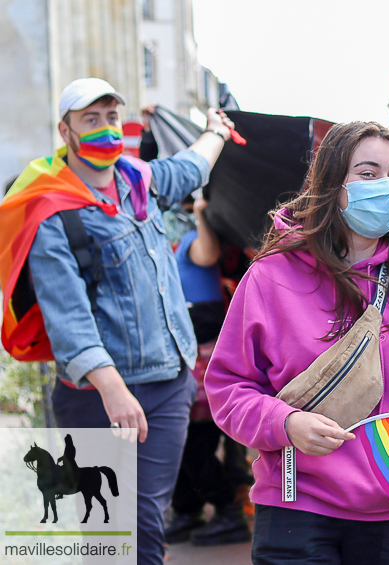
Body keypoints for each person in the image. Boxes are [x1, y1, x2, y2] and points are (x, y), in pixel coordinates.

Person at [204, 122, 389, 565]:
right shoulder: (270, 276)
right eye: (368, 173)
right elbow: (228, 388)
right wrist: (285, 424)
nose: (387, 187)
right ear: (333, 186)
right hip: (294, 505)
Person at [12, 78, 233, 565]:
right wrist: (113, 390)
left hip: (170, 384)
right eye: (91, 120)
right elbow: (68, 316)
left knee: (143, 524)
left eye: (111, 117)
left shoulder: (140, 181)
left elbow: (191, 167)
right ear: (65, 132)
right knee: (112, 530)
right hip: (99, 397)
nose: (106, 129)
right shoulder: (54, 213)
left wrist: (217, 129)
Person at [164, 192, 252, 546]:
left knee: (194, 440)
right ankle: (188, 510)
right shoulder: (164, 244)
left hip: (203, 351)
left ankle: (227, 512)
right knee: (181, 440)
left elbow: (209, 254)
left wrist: (200, 214)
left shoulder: (191, 239)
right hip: (181, 351)